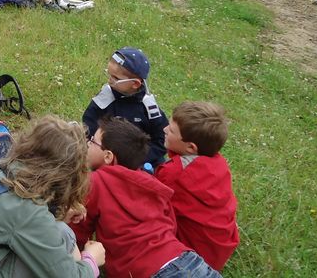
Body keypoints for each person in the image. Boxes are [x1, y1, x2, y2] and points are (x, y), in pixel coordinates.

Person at [0, 115, 105, 278]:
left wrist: (56, 216)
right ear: (67, 175)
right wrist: (91, 260)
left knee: (62, 231)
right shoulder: (29, 212)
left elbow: (16, 221)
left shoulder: (6, 168)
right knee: (66, 239)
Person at [71, 117, 221, 278]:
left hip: (152, 271)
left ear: (108, 156)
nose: (87, 144)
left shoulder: (96, 181)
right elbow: (171, 224)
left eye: (93, 141)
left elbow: (77, 229)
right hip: (189, 260)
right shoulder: (152, 183)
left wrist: (79, 261)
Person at [155, 102, 239, 271]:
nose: (165, 129)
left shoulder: (175, 172)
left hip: (190, 258)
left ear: (191, 147)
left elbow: (151, 201)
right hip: (218, 250)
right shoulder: (219, 163)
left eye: (171, 130)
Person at [82, 48, 169, 168]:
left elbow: (161, 139)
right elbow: (88, 124)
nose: (110, 80)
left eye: (116, 78)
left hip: (139, 164)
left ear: (135, 83)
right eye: (109, 75)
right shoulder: (106, 97)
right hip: (107, 159)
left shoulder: (148, 106)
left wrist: (140, 161)